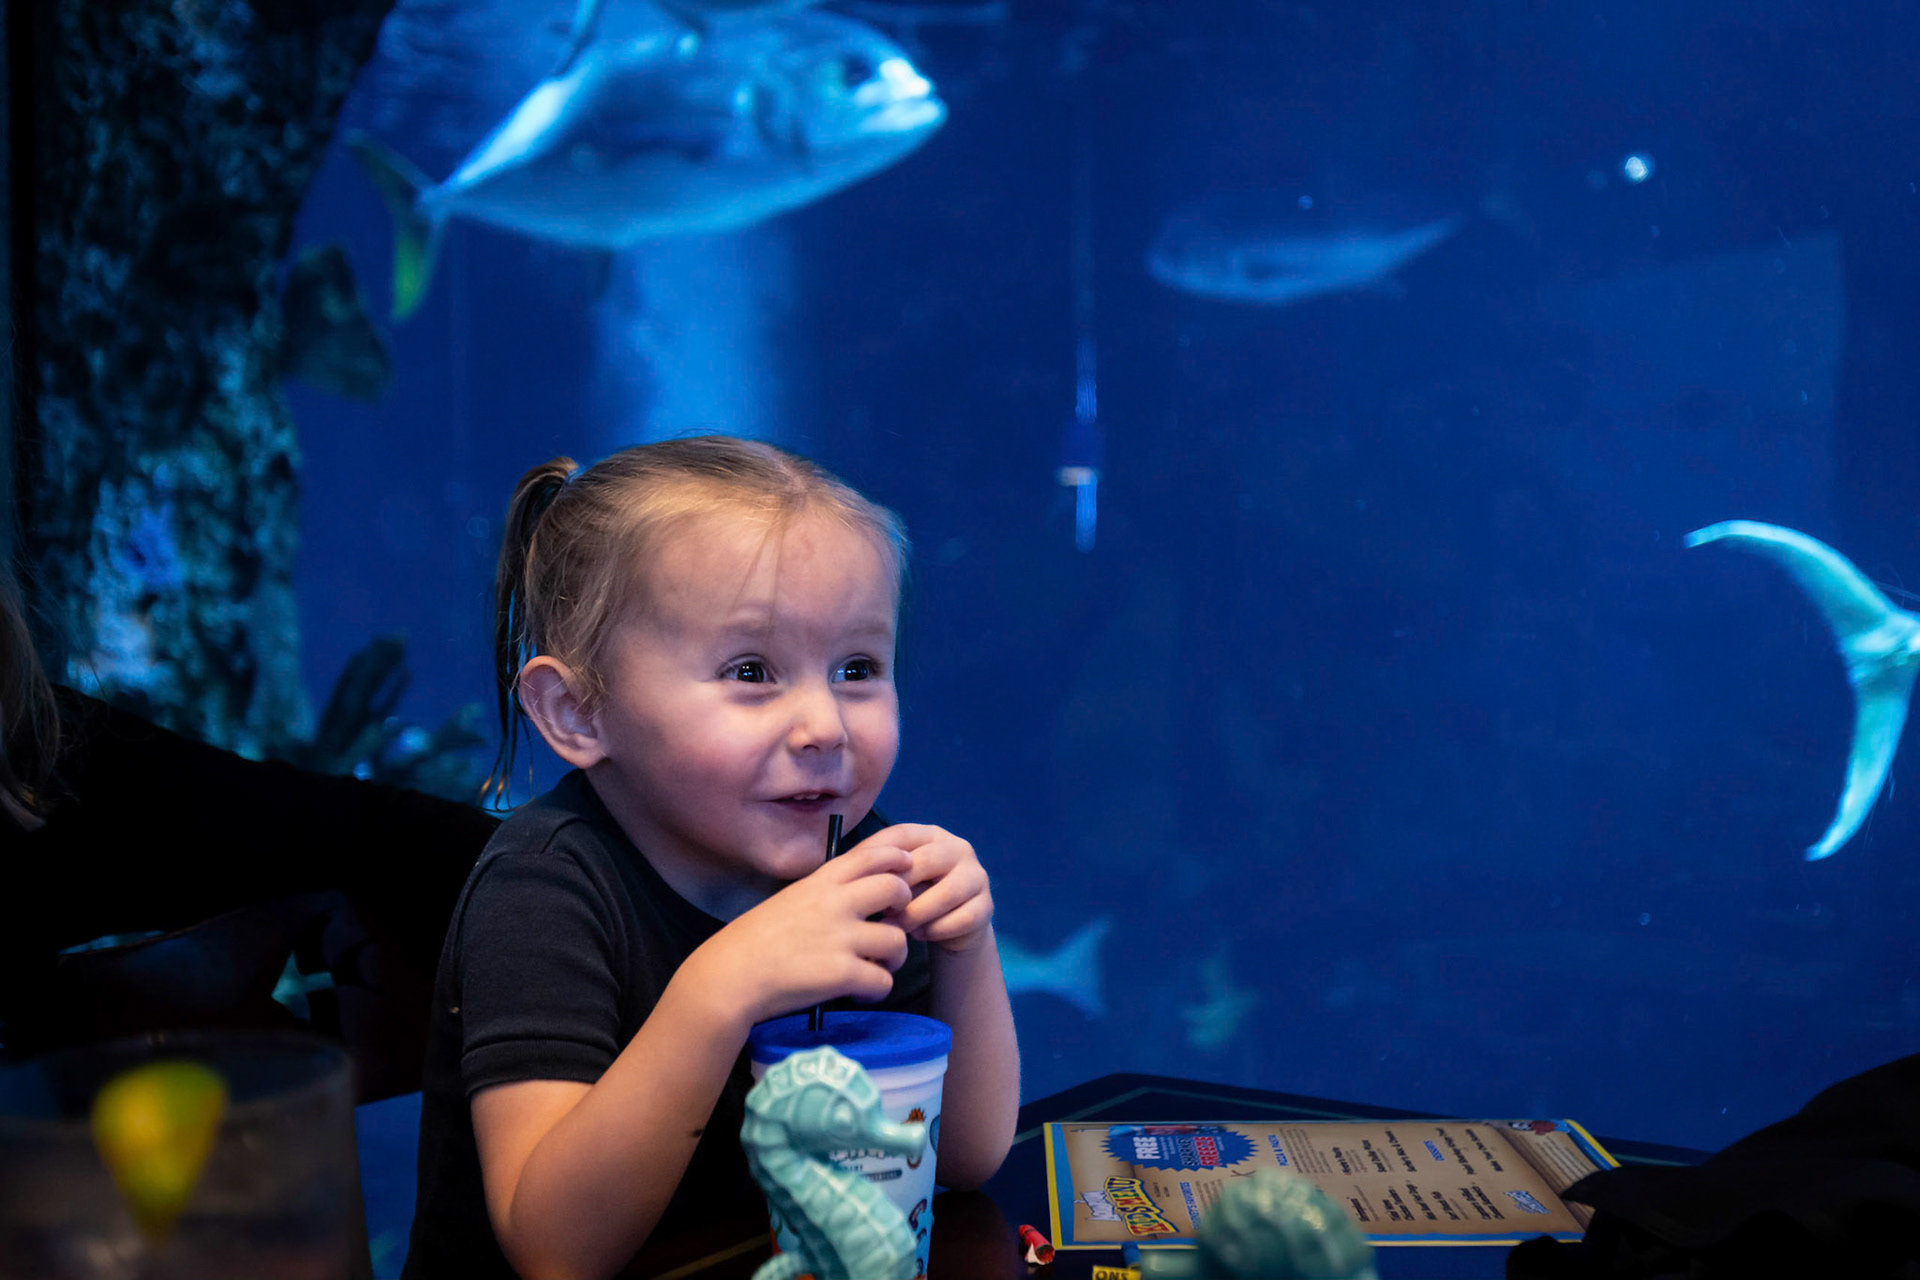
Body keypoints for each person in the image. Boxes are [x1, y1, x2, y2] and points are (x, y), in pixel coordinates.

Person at [403, 437, 1020, 1279]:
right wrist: (723, 989)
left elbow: (963, 1159)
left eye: (857, 667)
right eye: (752, 670)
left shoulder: (852, 860)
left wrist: (966, 947)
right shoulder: (542, 891)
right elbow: (555, 1252)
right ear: (578, 713)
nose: (826, 727)